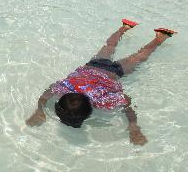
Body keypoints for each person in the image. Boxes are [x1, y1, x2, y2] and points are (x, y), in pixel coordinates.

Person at [26, 19, 177, 145]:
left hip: (114, 71)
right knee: (109, 47)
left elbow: (126, 101)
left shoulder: (101, 101)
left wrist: (133, 127)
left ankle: (160, 37)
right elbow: (47, 94)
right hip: (94, 65)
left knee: (140, 57)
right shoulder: (65, 88)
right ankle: (125, 27)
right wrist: (39, 109)